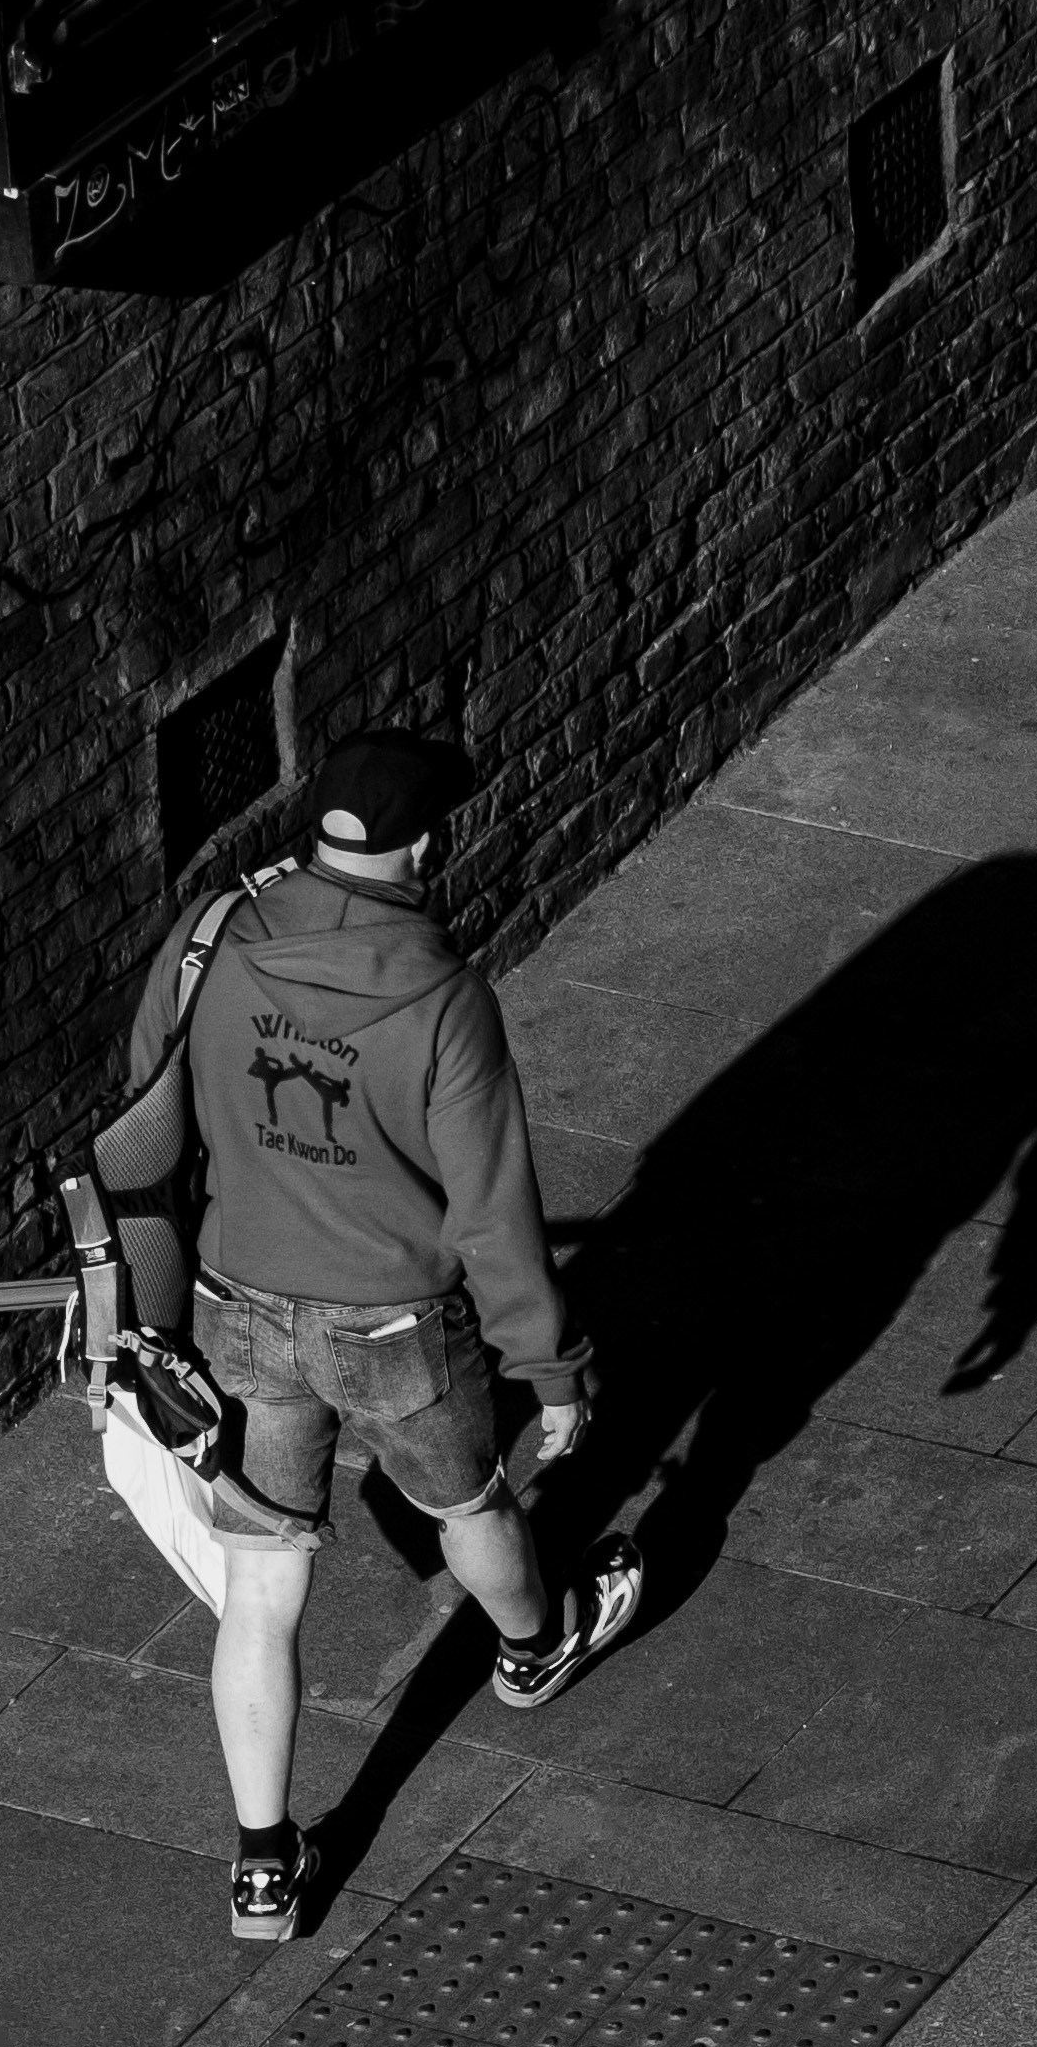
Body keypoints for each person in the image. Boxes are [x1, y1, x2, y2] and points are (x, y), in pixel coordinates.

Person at [107, 726, 641, 1940]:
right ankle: (536, 1645)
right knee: (469, 1506)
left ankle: (261, 1864)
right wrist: (549, 1367)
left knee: (261, 1585)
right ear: (427, 843)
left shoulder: (213, 937)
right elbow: (492, 1211)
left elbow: (146, 1098)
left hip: (238, 1304)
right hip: (395, 1323)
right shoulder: (446, 1001)